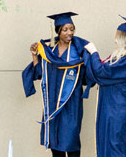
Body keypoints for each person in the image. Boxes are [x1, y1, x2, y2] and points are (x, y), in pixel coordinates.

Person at [23, 12, 91, 157]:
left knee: (71, 140)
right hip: (53, 101)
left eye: (72, 29)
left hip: (71, 102)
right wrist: (35, 55)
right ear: (58, 31)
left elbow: (86, 76)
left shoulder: (78, 53)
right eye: (65, 29)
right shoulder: (50, 52)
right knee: (55, 141)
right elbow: (40, 73)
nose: (69, 33)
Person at [84, 15, 126, 157]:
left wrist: (93, 52)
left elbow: (102, 72)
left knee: (115, 149)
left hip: (117, 111)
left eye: (118, 37)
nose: (115, 40)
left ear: (124, 39)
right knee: (124, 148)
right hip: (124, 109)